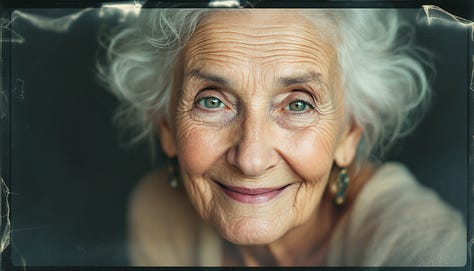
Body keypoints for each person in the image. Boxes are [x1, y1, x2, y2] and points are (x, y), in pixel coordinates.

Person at [98, 8, 466, 266]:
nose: (251, 159)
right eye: (212, 101)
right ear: (166, 127)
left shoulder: (425, 245)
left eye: (299, 105)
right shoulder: (158, 212)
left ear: (349, 133)